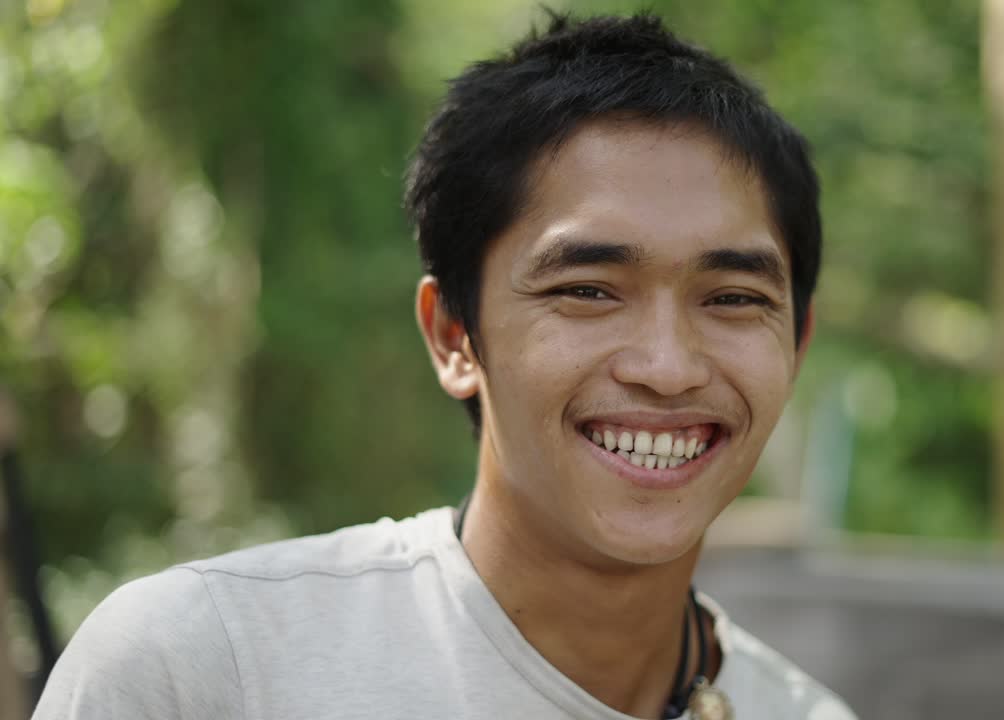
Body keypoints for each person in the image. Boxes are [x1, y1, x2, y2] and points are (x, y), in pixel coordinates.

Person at [34, 12, 857, 720]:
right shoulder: (211, 667)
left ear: (797, 341)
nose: (669, 367)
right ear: (454, 336)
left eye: (734, 300)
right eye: (588, 290)